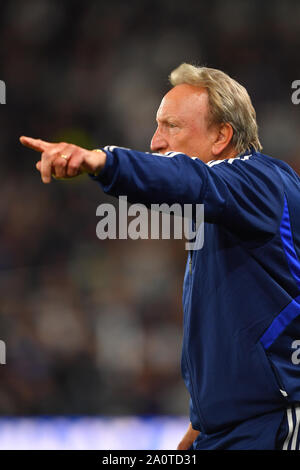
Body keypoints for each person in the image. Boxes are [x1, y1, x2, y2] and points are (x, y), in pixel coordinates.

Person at [20, 63, 300, 450]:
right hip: (227, 431)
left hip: (271, 427)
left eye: (172, 126)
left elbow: (188, 178)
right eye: (157, 126)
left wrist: (103, 161)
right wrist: (202, 426)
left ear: (222, 135)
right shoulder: (221, 211)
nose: (155, 141)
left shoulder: (263, 181)